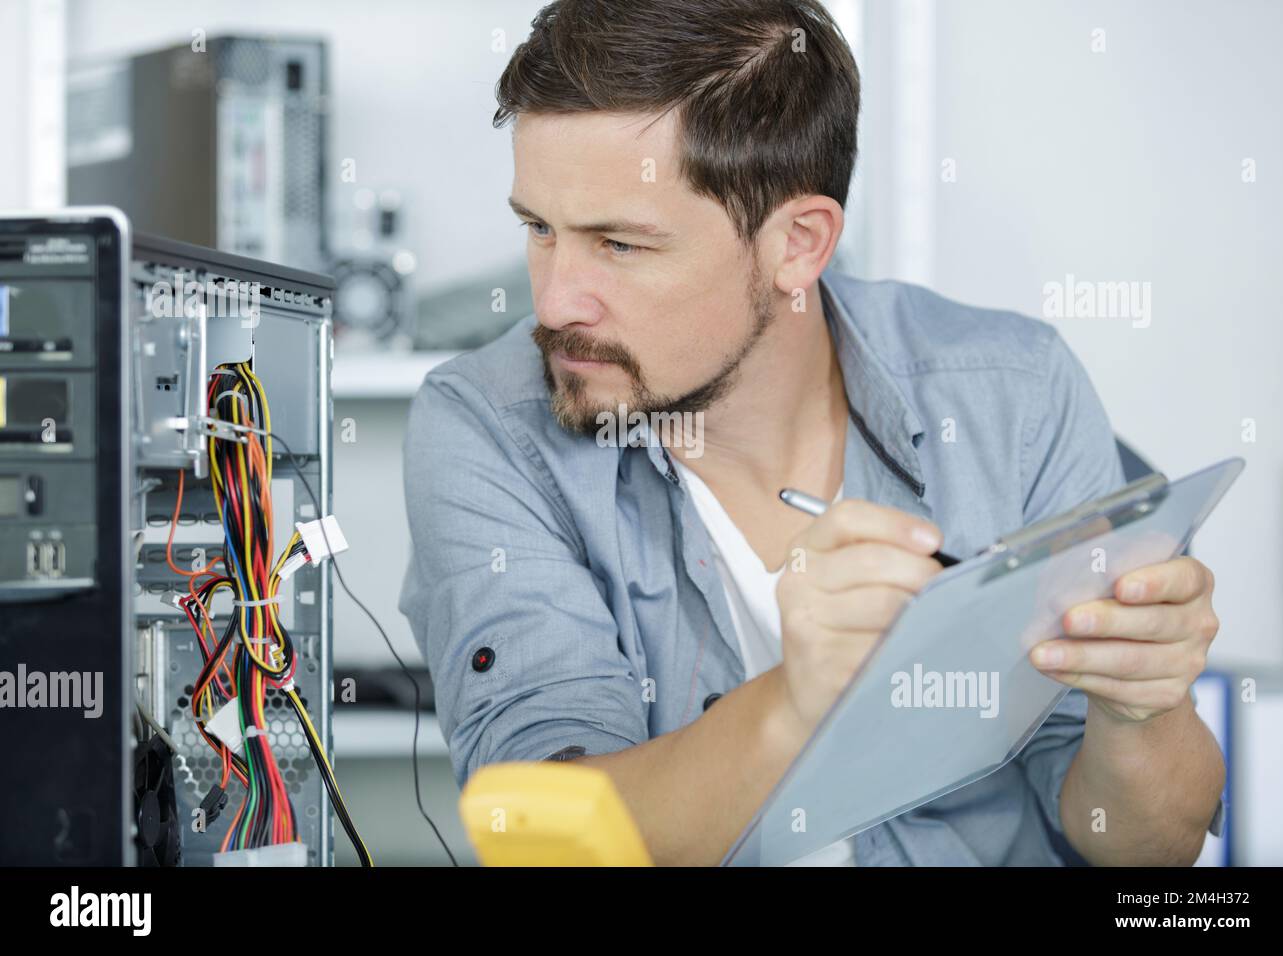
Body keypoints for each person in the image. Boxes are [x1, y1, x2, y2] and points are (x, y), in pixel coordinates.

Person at [399, 0, 1225, 866]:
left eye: (619, 245)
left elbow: (1143, 856)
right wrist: (796, 704)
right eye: (539, 229)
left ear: (799, 243)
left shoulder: (1013, 393)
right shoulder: (488, 428)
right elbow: (541, 839)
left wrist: (1141, 712)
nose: (556, 301)